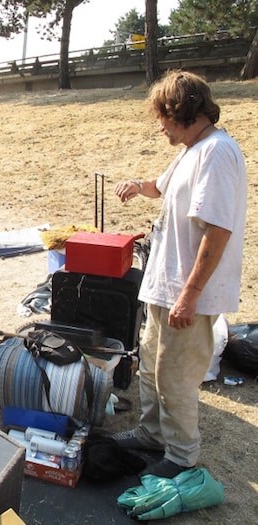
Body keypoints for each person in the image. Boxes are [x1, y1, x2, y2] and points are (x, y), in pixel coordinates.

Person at [111, 69, 247, 479]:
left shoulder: (217, 153)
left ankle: (181, 457)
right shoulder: (191, 149)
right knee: (152, 367)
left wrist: (189, 294)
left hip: (186, 293)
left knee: (176, 378)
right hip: (163, 287)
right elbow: (163, 186)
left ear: (180, 111)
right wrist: (138, 185)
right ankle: (152, 435)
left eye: (162, 117)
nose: (159, 126)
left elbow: (218, 229)